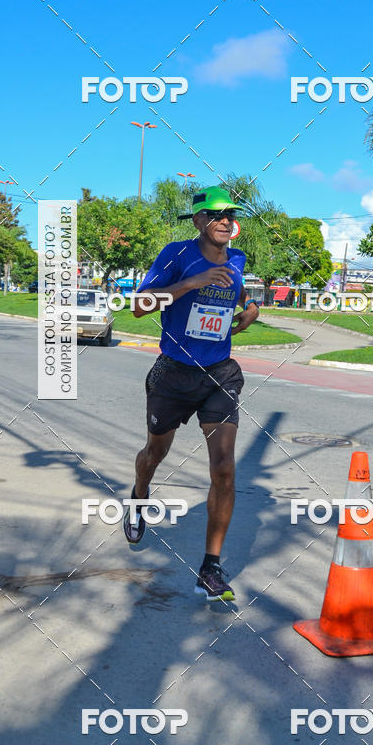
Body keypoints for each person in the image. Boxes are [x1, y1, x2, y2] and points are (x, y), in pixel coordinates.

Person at [123, 186, 260, 601]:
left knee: (224, 467)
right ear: (199, 220)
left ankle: (210, 567)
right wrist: (191, 282)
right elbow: (140, 305)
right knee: (154, 454)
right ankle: (139, 494)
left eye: (229, 215)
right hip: (173, 374)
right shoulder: (176, 255)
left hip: (219, 373)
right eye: (215, 215)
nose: (224, 221)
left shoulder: (237, 259)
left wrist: (250, 310)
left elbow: (238, 294)